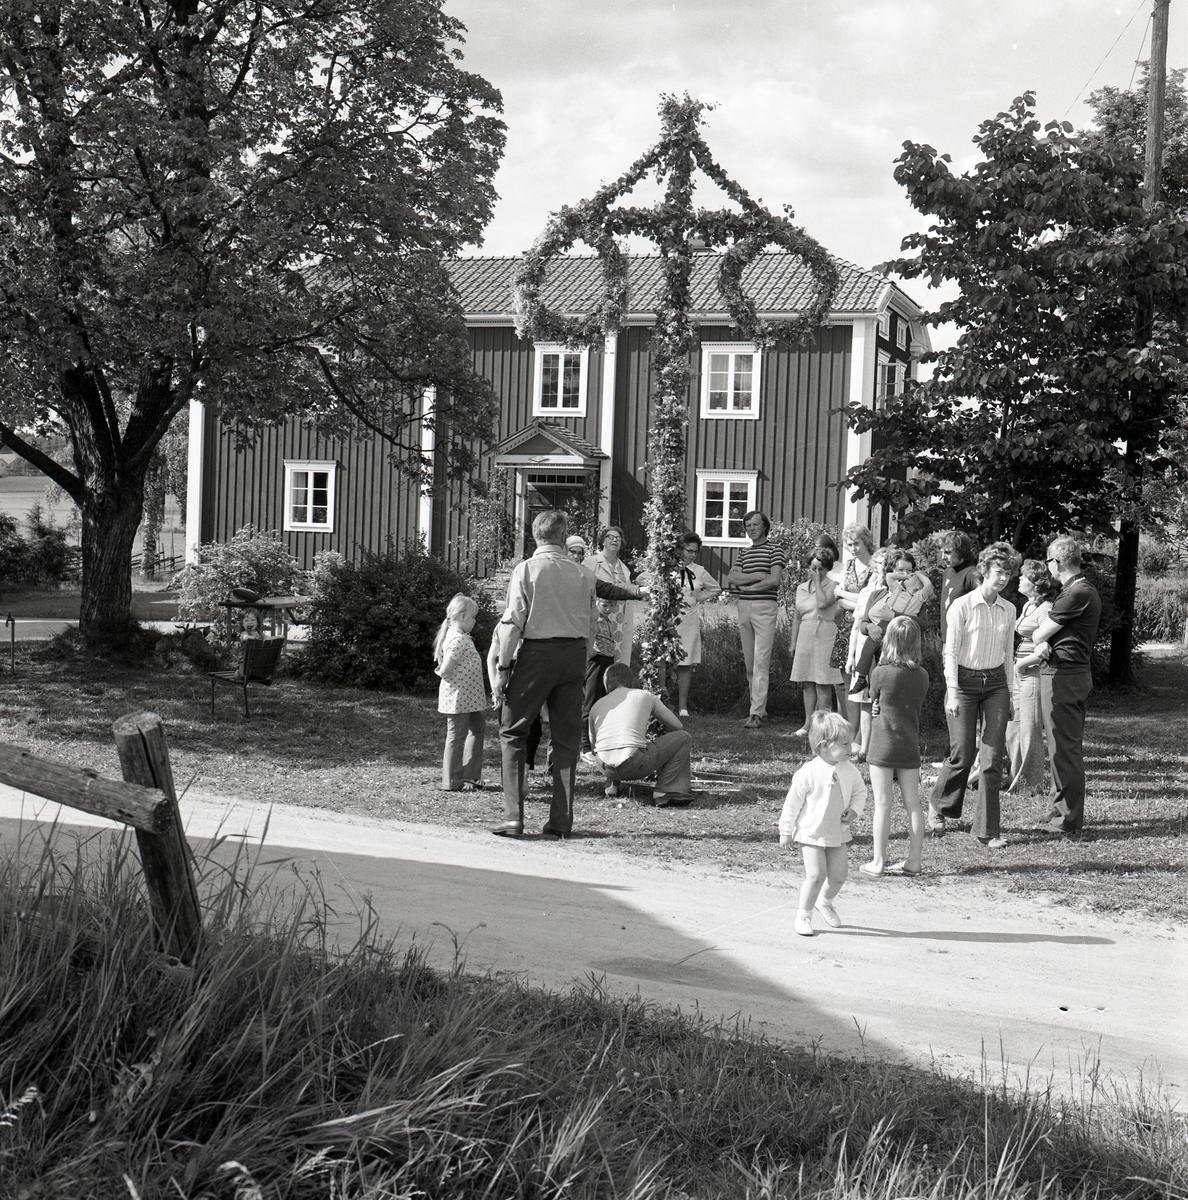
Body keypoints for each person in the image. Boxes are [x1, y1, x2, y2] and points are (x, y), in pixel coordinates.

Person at [490, 510, 596, 839]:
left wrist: (503, 667)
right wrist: (583, 655)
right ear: (564, 538)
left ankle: (513, 817)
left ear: (536, 536)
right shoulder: (583, 574)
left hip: (537, 653)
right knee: (566, 740)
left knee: (512, 731)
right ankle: (561, 822)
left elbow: (512, 623)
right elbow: (593, 623)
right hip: (574, 654)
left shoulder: (527, 570)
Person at [928, 541, 1021, 849]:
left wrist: (1010, 693)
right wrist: (952, 692)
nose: (1004, 578)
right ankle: (940, 805)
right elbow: (950, 651)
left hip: (995, 684)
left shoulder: (1009, 609)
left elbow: (1008, 655)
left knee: (993, 759)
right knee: (963, 754)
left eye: (1008, 573)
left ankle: (987, 830)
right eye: (998, 571)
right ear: (984, 571)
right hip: (964, 685)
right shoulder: (962, 606)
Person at [1029, 535, 1102, 835]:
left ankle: (1068, 819)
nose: (1047, 568)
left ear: (1057, 562)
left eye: (1048, 561)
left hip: (1066, 676)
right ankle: (1057, 810)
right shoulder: (1075, 590)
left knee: (1065, 748)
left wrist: (1041, 641)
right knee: (1058, 747)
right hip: (1064, 673)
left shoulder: (1077, 593)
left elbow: (1038, 633)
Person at [778, 710, 868, 937]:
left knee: (839, 876)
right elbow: (792, 803)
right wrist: (786, 830)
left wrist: (854, 812)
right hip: (811, 833)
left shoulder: (849, 770)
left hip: (838, 833)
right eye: (846, 744)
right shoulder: (807, 772)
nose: (851, 749)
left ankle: (824, 901)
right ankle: (803, 916)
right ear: (825, 745)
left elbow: (861, 792)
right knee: (816, 875)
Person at [861, 616, 929, 878]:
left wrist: (877, 705)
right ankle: (914, 861)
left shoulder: (880, 672)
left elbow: (874, 698)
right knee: (913, 804)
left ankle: (878, 862)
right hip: (909, 743)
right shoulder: (922, 675)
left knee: (882, 804)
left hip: (882, 744)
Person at [589, 662, 693, 806]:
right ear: (631, 681)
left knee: (613, 740)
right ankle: (666, 790)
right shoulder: (644, 696)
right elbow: (677, 726)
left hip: (604, 766)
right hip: (634, 763)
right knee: (684, 738)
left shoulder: (597, 705)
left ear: (606, 684)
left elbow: (594, 744)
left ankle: (612, 786)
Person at [1005, 559, 1061, 797]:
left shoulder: (1046, 608)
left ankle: (1030, 784)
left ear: (1036, 584)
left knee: (1030, 729)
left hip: (1033, 675)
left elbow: (1046, 648)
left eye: (1024, 577)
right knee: (1013, 728)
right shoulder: (1028, 606)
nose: (1019, 579)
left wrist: (1022, 663)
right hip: (1020, 674)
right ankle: (1015, 777)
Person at [725, 510, 785, 730]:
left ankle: (756, 713)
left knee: (761, 660)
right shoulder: (744, 552)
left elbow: (775, 579)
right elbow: (731, 577)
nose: (752, 529)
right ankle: (758, 709)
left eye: (755, 525)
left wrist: (748, 586)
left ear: (765, 526)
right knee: (750, 661)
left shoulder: (774, 550)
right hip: (744, 607)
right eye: (748, 525)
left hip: (764, 607)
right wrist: (758, 577)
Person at [848, 549, 933, 695]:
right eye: (901, 570)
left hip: (900, 641)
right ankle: (862, 679)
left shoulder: (919, 598)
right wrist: (869, 627)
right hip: (879, 630)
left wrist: (894, 615)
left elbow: (923, 624)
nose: (906, 575)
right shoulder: (886, 592)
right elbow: (863, 623)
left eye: (910, 570)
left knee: (887, 668)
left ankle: (878, 690)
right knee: (867, 650)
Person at [434, 593, 488, 792]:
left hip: (469, 699)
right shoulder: (457, 639)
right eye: (473, 617)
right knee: (456, 736)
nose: (475, 621)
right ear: (463, 616)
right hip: (458, 699)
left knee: (478, 728)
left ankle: (470, 775)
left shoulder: (461, 637)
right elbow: (447, 668)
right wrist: (440, 672)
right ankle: (452, 780)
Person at [788, 545, 843, 736]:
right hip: (805, 633)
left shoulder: (833, 586)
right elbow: (797, 615)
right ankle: (808, 723)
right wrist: (793, 641)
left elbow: (822, 603)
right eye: (813, 568)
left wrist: (818, 582)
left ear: (827, 569)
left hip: (825, 633)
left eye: (820, 568)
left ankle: (824, 726)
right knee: (806, 681)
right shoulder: (801, 588)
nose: (816, 572)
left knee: (823, 682)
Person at [844, 547, 890, 760]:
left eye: (887, 563)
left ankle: (879, 747)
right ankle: (863, 748)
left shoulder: (897, 591)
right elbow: (856, 625)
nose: (883, 567)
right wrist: (851, 656)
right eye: (880, 563)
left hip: (886, 649)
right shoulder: (866, 592)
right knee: (864, 701)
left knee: (881, 701)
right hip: (864, 649)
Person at [835, 523, 876, 745]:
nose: (853, 548)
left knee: (864, 680)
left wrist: (845, 595)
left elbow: (869, 600)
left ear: (866, 542)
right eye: (849, 544)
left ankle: (863, 736)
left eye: (856, 544)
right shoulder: (848, 565)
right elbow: (838, 598)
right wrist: (849, 597)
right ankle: (851, 733)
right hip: (846, 627)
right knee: (847, 680)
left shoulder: (875, 567)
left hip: (866, 626)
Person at [674, 531, 721, 717]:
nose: (691, 554)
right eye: (688, 550)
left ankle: (683, 706)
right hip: (669, 618)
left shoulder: (699, 571)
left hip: (689, 619)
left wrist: (698, 597)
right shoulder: (668, 566)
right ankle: (660, 700)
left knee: (685, 663)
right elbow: (642, 578)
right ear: (680, 549)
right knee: (664, 661)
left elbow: (716, 588)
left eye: (695, 551)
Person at [585, 526, 637, 666]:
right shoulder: (591, 563)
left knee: (616, 661)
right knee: (597, 662)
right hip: (600, 620)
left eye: (618, 538)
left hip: (619, 623)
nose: (615, 540)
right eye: (611, 537)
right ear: (603, 541)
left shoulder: (624, 569)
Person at [580, 596, 618, 758]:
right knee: (590, 702)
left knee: (604, 702)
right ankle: (585, 747)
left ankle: (599, 743)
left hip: (607, 661)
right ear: (597, 603)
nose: (608, 608)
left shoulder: (608, 621)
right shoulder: (593, 619)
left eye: (611, 604)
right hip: (596, 661)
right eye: (604, 604)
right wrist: (591, 651)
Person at [939, 531, 980, 643]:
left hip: (966, 640)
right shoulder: (947, 571)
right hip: (947, 639)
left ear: (960, 551)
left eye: (947, 552)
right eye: (942, 552)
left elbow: (983, 608)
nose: (943, 557)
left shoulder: (973, 574)